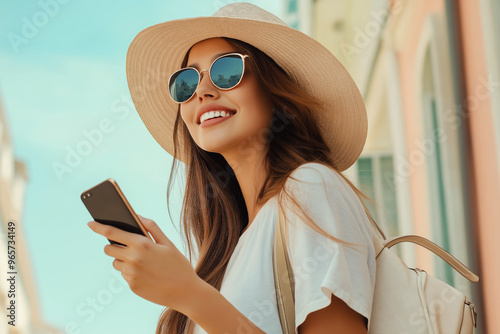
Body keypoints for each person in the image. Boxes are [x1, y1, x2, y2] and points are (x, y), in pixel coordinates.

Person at [87, 3, 383, 333]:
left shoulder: (310, 186)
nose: (202, 91)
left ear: (276, 91)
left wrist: (190, 294)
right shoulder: (225, 257)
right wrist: (186, 290)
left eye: (227, 71)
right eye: (186, 83)